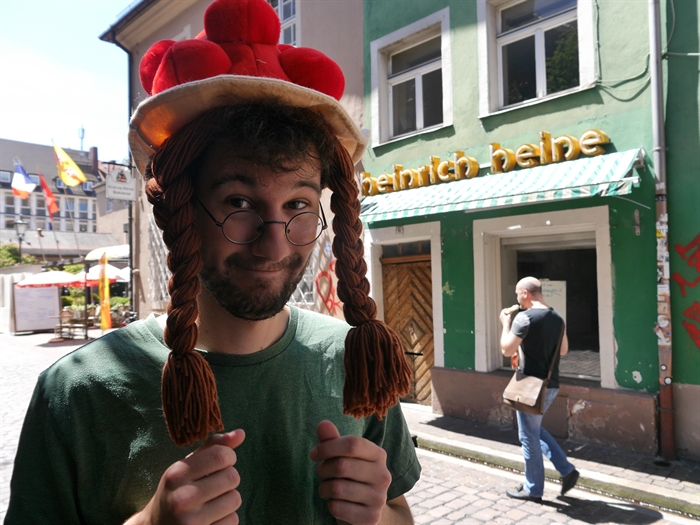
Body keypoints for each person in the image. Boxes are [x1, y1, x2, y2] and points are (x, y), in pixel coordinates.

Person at [6, 0, 420, 523]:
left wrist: (379, 517)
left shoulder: (356, 363)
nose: (275, 247)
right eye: (238, 203)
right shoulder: (78, 391)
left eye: (298, 205)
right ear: (181, 210)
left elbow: (400, 514)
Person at [499, 277, 579, 503]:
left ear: (525, 293)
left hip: (529, 388)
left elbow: (506, 349)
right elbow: (563, 350)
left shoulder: (524, 318)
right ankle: (566, 470)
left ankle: (533, 489)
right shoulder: (557, 318)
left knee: (528, 437)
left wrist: (505, 323)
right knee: (533, 431)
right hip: (550, 385)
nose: (517, 299)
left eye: (517, 294)